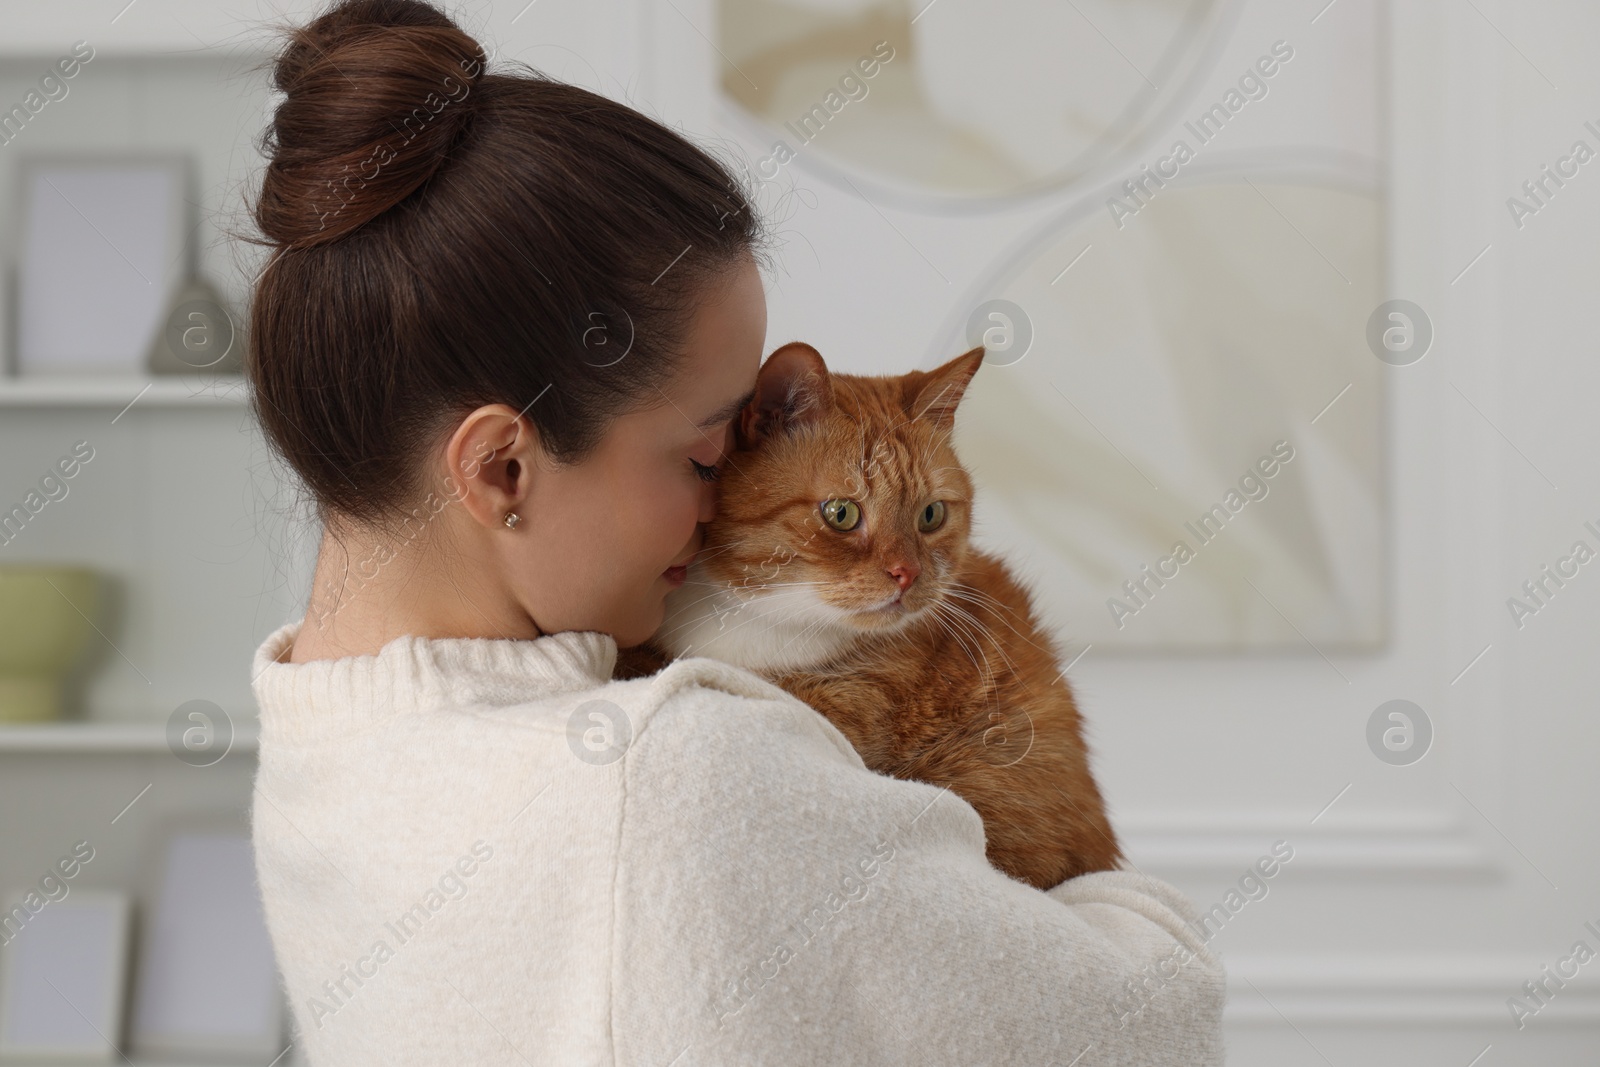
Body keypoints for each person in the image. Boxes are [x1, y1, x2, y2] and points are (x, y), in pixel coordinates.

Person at [244, 1, 1227, 1063]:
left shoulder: (316, 748)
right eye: (706, 456)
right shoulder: (678, 773)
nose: (721, 503)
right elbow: (1158, 1026)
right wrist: (1121, 908)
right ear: (501, 467)